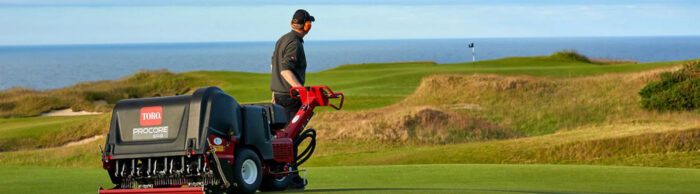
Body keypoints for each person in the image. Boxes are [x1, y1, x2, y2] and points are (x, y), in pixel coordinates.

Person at [269, 9, 314, 189]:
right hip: (290, 97)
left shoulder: (282, 39)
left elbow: (273, 65)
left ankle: (287, 175)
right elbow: (284, 69)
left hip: (279, 95)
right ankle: (290, 177)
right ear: (307, 26)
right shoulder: (294, 42)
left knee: (285, 136)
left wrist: (274, 92)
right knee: (291, 138)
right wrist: (302, 91)